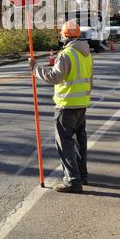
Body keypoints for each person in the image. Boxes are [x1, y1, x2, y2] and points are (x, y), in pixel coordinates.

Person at [29, 20, 93, 193]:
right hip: (82, 104)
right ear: (78, 35)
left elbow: (54, 77)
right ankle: (81, 174)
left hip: (67, 105)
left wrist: (36, 68)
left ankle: (72, 180)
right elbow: (90, 79)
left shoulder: (66, 54)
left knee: (64, 142)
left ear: (65, 35)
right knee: (80, 140)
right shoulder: (85, 53)